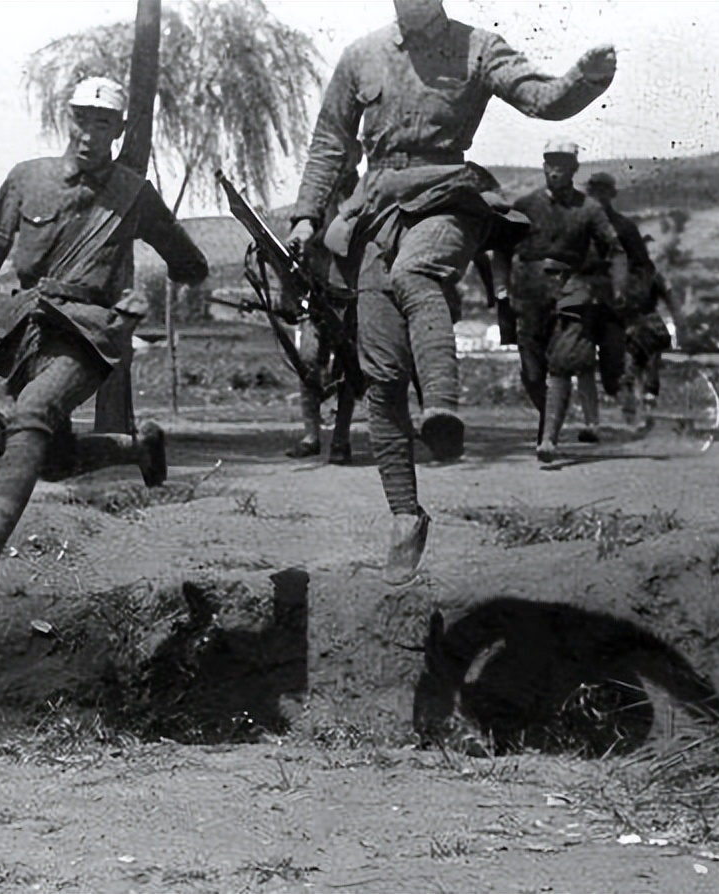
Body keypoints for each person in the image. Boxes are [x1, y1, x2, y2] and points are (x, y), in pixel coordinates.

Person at [287, 0, 617, 584]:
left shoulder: (478, 47)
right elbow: (330, 142)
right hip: (374, 207)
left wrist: (584, 80)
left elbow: (541, 97)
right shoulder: (360, 56)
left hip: (447, 194)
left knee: (416, 272)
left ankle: (442, 406)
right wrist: (307, 214)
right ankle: (405, 517)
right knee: (382, 377)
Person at [0, 77, 209, 582]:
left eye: (103, 123)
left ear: (118, 130)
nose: (89, 133)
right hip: (22, 332)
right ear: (69, 119)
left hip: (88, 335)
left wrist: (143, 294)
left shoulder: (132, 194)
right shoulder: (27, 179)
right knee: (47, 459)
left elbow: (190, 263)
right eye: (82, 119)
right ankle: (138, 448)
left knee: (32, 411)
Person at [498, 141, 628, 463]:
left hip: (572, 290)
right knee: (531, 371)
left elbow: (616, 250)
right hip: (528, 294)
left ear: (574, 169)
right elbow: (500, 250)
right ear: (543, 167)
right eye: (549, 163)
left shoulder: (589, 209)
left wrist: (619, 287)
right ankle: (548, 416)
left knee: (564, 361)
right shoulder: (524, 206)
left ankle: (548, 440)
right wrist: (501, 291)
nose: (555, 169)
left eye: (562, 164)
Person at [584, 171, 683, 424]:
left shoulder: (624, 228)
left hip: (623, 310)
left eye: (602, 191)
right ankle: (593, 419)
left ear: (611, 195)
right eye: (593, 191)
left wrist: (629, 296)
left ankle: (637, 411)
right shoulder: (579, 223)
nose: (597, 196)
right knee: (582, 361)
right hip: (587, 301)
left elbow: (645, 270)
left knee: (622, 366)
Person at [287, 159, 364, 466]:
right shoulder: (312, 211)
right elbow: (296, 253)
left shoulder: (364, 205)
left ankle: (341, 440)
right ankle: (311, 436)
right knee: (307, 362)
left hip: (353, 300)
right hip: (316, 299)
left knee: (348, 370)